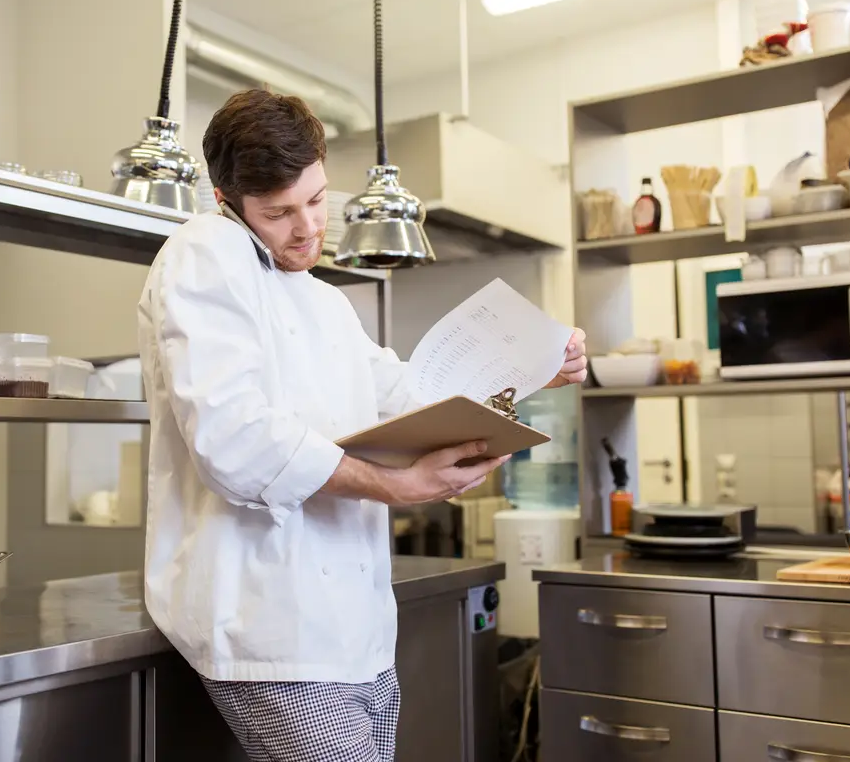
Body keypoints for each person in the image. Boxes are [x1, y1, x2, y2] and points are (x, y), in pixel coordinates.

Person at [137, 89, 587, 762]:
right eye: (279, 213)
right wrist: (400, 488)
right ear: (227, 200)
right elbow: (235, 442)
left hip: (357, 633)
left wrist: (530, 368)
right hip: (273, 632)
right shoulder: (204, 254)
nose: (307, 229)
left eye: (317, 200)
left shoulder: (324, 302)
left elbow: (403, 395)